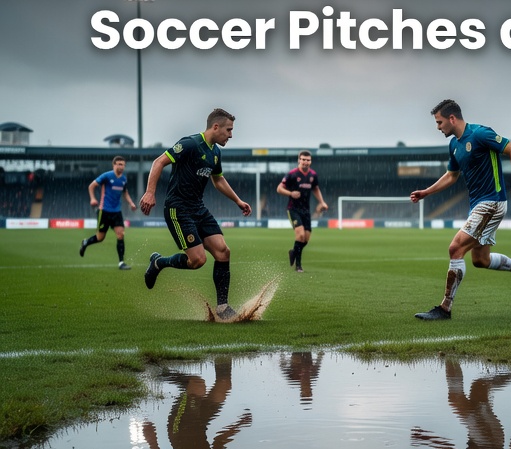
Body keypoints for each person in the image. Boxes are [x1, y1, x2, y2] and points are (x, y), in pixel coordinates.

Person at [410, 99, 511, 320]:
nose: (438, 127)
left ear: (452, 118)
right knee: (480, 260)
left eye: (439, 122)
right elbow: (452, 175)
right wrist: (426, 192)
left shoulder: (480, 134)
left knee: (455, 248)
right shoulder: (454, 145)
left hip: (492, 202)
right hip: (478, 205)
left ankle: (444, 308)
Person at [139, 108, 252, 321]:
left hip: (198, 208)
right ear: (215, 127)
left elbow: (218, 179)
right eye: (228, 130)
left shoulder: (215, 152)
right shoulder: (190, 144)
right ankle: (159, 263)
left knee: (223, 252)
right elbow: (159, 162)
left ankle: (222, 307)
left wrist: (238, 201)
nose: (231, 135)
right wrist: (150, 192)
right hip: (178, 209)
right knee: (198, 260)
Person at [80, 155, 139, 269]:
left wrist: (131, 203)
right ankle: (86, 242)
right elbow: (91, 186)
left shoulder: (123, 179)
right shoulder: (106, 176)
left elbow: (125, 192)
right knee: (100, 238)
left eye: (123, 165)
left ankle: (121, 263)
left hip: (117, 212)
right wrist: (92, 199)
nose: (122, 167)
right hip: (104, 211)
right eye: (120, 164)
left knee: (120, 234)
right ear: (114, 165)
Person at [276, 150, 328, 272]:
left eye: (308, 160)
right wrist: (290, 193)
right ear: (299, 160)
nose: (305, 162)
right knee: (300, 235)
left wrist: (322, 202)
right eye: (303, 159)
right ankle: (298, 266)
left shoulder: (313, 175)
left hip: (306, 211)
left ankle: (294, 252)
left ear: (311, 161)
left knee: (305, 239)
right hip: (293, 209)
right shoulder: (292, 174)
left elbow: (315, 188)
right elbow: (279, 189)